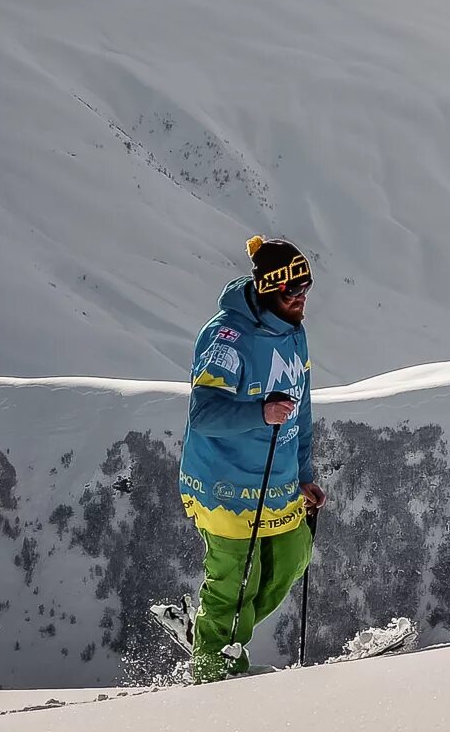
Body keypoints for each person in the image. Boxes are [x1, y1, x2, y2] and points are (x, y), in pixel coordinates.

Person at [177, 235, 326, 681]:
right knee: (236, 582)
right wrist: (260, 412)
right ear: (267, 289)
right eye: (290, 291)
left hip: (276, 479)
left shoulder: (295, 335)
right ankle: (211, 670)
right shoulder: (227, 336)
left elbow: (302, 410)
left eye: (306, 289)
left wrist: (303, 474)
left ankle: (213, 631)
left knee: (293, 555)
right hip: (223, 483)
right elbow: (203, 414)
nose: (300, 299)